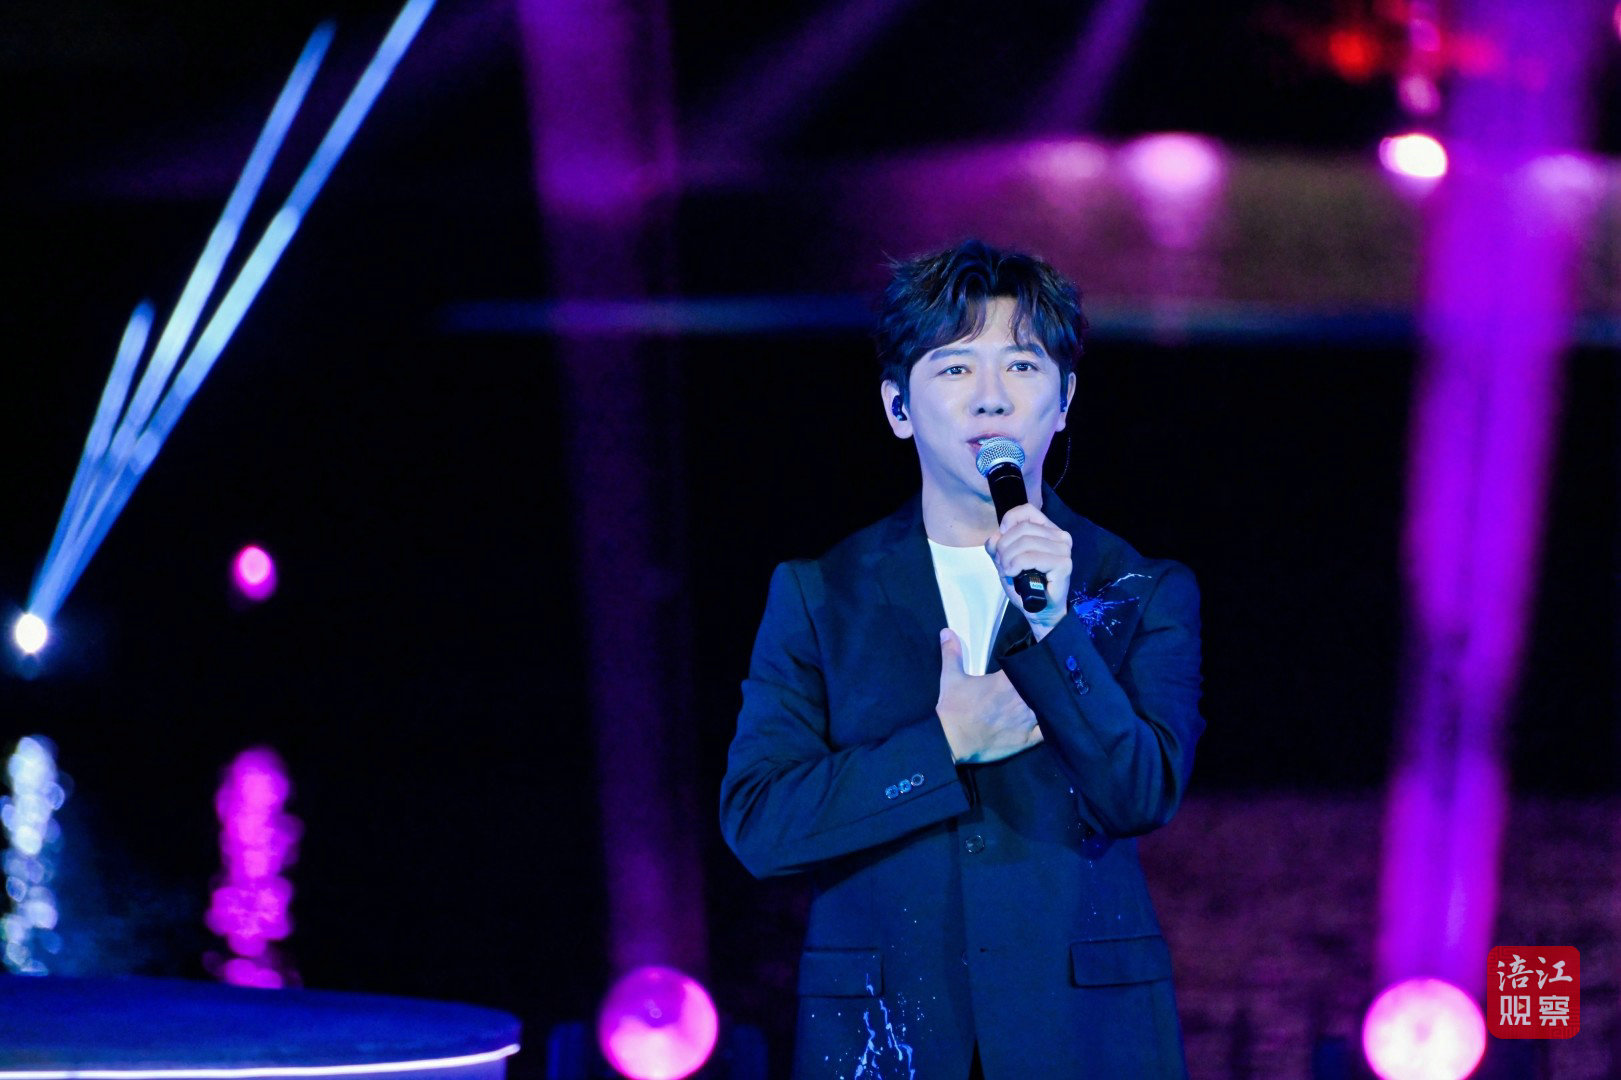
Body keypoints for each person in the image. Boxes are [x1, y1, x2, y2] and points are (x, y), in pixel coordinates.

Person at [719, 238, 1204, 1079]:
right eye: (953, 368)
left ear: (1063, 401)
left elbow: (1139, 792)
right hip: (885, 1039)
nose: (990, 397)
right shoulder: (820, 594)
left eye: (1020, 367)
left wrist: (1053, 628)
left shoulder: (1139, 587)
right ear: (897, 407)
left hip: (1082, 1036)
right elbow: (760, 825)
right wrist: (942, 744)